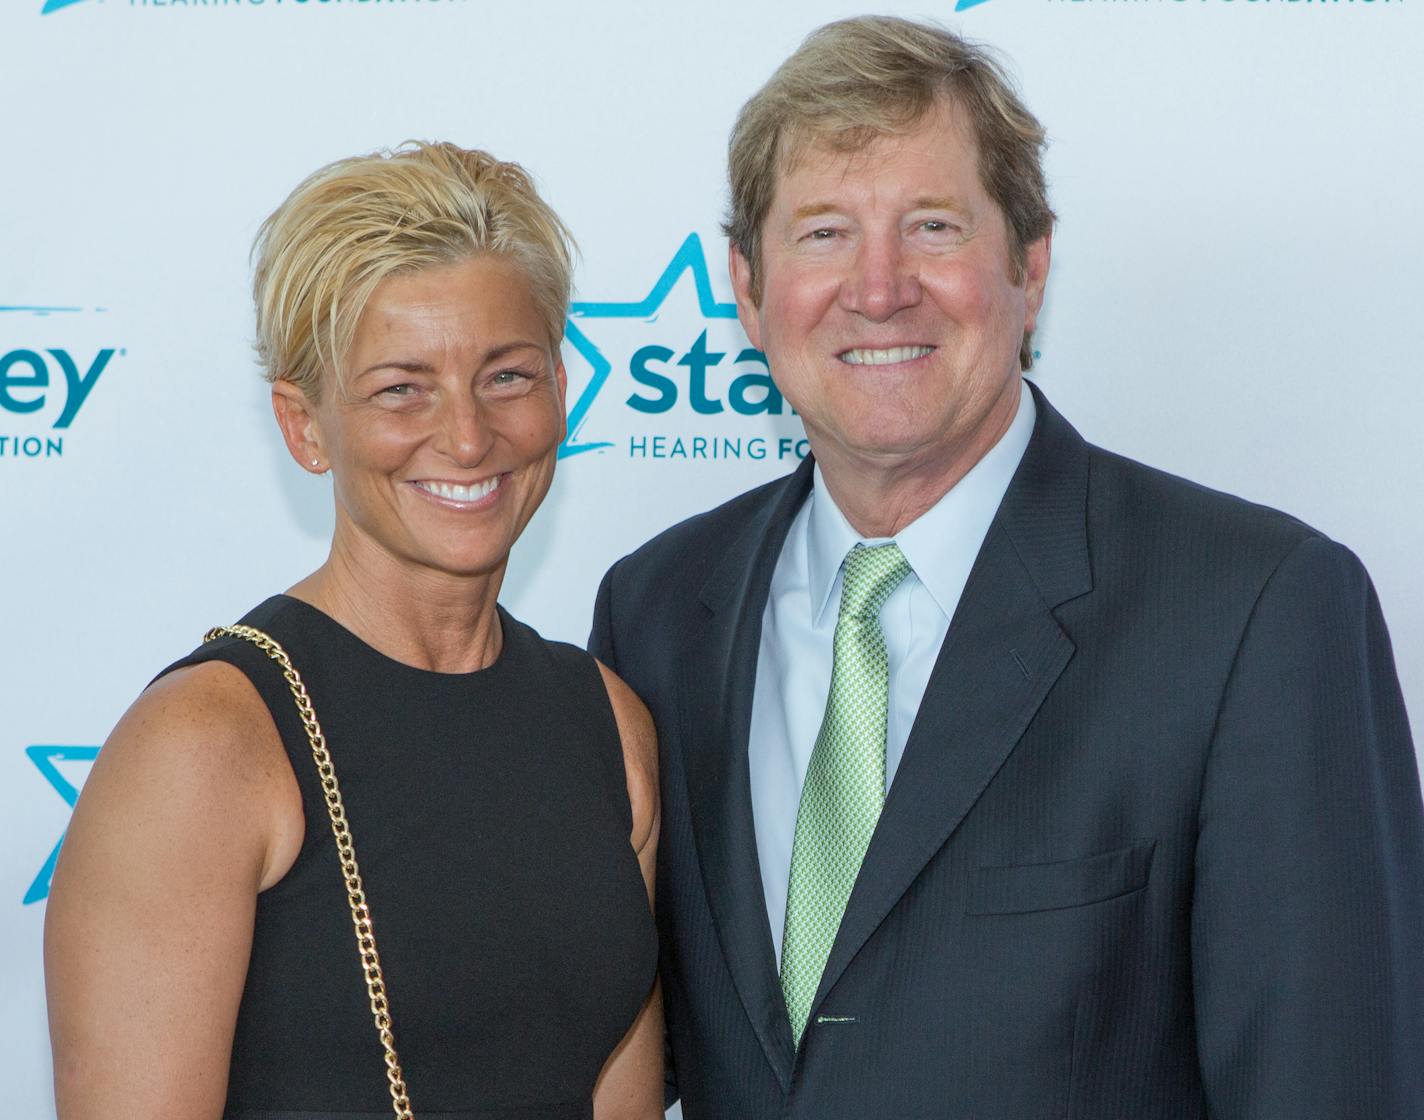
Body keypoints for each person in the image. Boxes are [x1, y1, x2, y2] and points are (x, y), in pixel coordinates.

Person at [589, 16, 1424, 1120]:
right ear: (747, 288)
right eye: (823, 232)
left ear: (1027, 266)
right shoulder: (653, 614)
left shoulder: (1254, 613)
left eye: (930, 226)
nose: (878, 288)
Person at [45, 142, 663, 1120]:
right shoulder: (207, 746)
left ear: (558, 384)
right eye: (400, 388)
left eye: (505, 376)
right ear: (304, 425)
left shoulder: (606, 724)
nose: (465, 437)